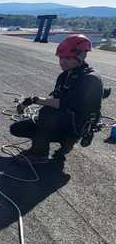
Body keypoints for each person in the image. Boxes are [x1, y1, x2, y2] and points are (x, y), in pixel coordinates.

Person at [10, 34, 104, 164]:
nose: (63, 62)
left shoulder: (90, 79)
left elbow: (63, 104)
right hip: (65, 119)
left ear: (82, 55)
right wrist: (32, 102)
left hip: (78, 123)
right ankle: (62, 140)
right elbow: (55, 98)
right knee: (17, 128)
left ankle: (40, 154)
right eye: (61, 58)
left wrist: (33, 100)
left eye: (68, 58)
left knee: (47, 113)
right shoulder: (65, 75)